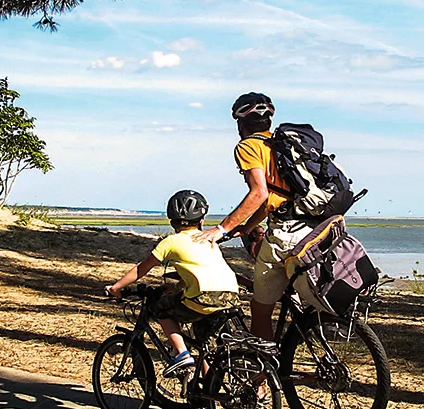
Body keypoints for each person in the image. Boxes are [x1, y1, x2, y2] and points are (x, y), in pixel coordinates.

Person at [194, 92, 313, 341]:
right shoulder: (283, 144)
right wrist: (248, 227)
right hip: (312, 226)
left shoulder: (248, 146)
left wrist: (221, 229)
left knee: (259, 311)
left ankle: (262, 376)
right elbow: (275, 195)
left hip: (286, 233)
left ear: (240, 123)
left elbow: (259, 192)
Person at [105, 190, 239, 376]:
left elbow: (141, 269)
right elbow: (202, 271)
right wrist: (177, 287)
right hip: (231, 296)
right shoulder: (209, 240)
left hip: (203, 297)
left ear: (171, 221)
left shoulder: (171, 242)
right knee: (203, 344)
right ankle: (210, 390)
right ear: (201, 220)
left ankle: (182, 353)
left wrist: (116, 287)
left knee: (159, 308)